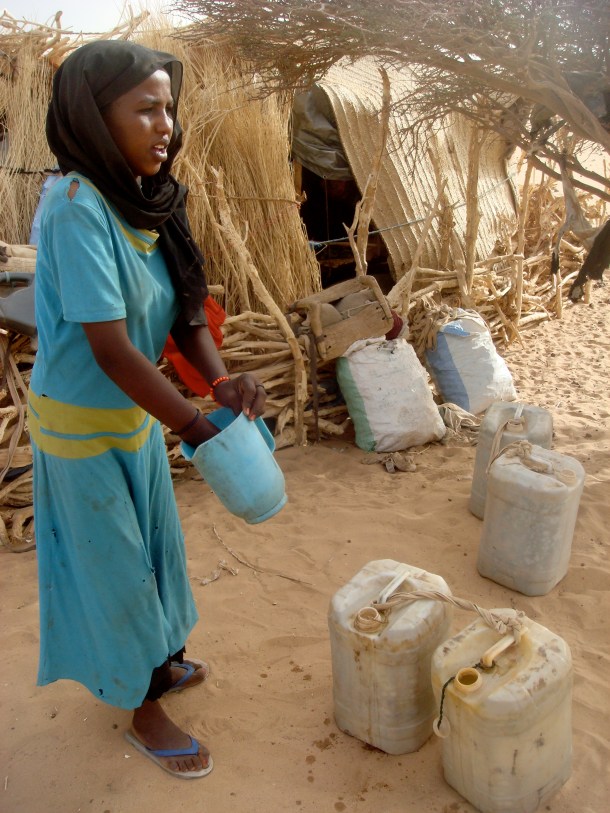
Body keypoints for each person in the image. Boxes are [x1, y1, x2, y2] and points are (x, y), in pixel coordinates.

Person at [29, 39, 266, 779]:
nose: (165, 124)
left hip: (134, 419)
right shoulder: (75, 206)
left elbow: (186, 312)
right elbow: (112, 349)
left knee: (157, 552)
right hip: (80, 429)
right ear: (95, 120)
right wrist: (198, 427)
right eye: (144, 109)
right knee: (118, 571)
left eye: (169, 107)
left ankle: (161, 662)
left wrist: (221, 384)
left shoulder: (152, 197)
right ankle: (141, 706)